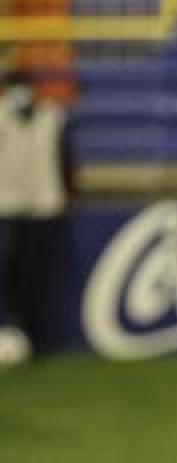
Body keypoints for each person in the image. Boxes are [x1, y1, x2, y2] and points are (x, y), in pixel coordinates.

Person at [0, 68, 75, 362]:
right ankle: (12, 331)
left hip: (45, 207)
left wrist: (69, 194)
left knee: (39, 275)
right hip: (7, 206)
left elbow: (66, 160)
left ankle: (35, 337)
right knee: (11, 272)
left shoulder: (52, 118)